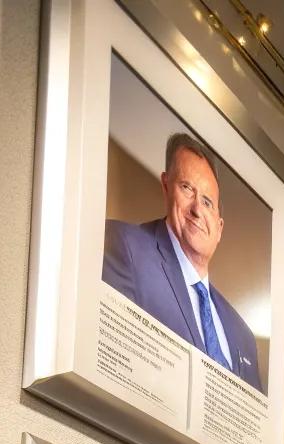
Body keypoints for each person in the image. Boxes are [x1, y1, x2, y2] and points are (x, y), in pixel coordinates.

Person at [102, 132, 264, 393]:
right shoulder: (124, 246)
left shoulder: (243, 335)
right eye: (187, 188)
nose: (198, 209)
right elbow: (111, 369)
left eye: (208, 202)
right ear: (166, 187)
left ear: (220, 228)